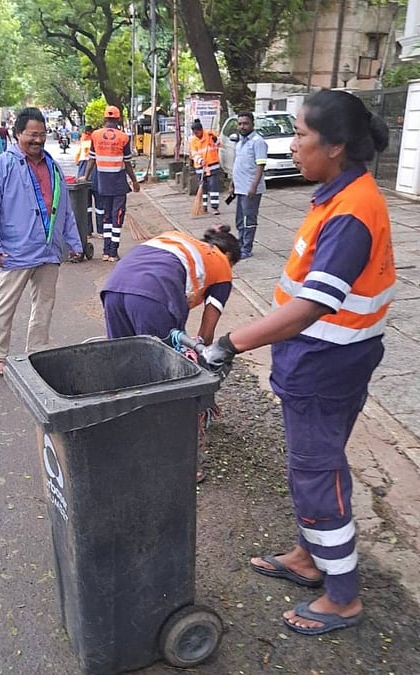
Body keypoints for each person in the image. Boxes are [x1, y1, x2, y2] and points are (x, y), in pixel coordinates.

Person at [201, 89, 394, 636]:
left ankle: (343, 595)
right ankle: (311, 559)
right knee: (314, 464)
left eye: (302, 134)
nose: (294, 144)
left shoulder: (352, 213)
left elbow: (311, 306)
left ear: (334, 146)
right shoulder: (338, 195)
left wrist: (229, 343)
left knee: (316, 473)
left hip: (326, 365)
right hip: (320, 360)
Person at [0, 107, 84, 376]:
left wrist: (73, 242)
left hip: (49, 249)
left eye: (41, 135)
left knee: (44, 305)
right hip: (15, 250)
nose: (37, 140)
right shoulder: (1, 165)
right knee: (4, 303)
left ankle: (37, 351)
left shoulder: (52, 166)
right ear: (18, 135)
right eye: (31, 135)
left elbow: (64, 209)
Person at [100, 225, 240, 344]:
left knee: (121, 357)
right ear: (228, 255)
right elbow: (206, 334)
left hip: (113, 287)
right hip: (152, 294)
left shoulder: (174, 237)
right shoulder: (222, 264)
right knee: (161, 365)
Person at [84, 105, 141, 261]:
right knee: (117, 218)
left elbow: (92, 159)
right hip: (118, 184)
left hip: (102, 184)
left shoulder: (95, 135)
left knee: (107, 217)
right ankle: (113, 252)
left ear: (104, 118)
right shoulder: (124, 137)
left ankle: (105, 251)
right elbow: (128, 164)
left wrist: (85, 176)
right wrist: (135, 181)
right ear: (118, 119)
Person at [229, 112, 269, 259]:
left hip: (250, 189)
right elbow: (237, 165)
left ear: (252, 124)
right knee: (240, 219)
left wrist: (253, 186)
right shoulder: (240, 143)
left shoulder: (258, 142)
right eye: (240, 124)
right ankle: (241, 244)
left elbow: (260, 165)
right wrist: (232, 184)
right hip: (239, 187)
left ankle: (247, 247)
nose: (242, 126)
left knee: (249, 219)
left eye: (245, 123)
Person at [189, 119, 222, 215]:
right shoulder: (193, 140)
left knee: (213, 186)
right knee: (203, 187)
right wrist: (200, 160)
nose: (196, 135)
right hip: (201, 167)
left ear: (201, 130)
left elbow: (219, 145)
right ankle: (204, 206)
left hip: (213, 165)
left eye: (197, 132)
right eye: (195, 133)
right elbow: (194, 154)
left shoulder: (210, 135)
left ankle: (215, 207)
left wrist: (215, 140)